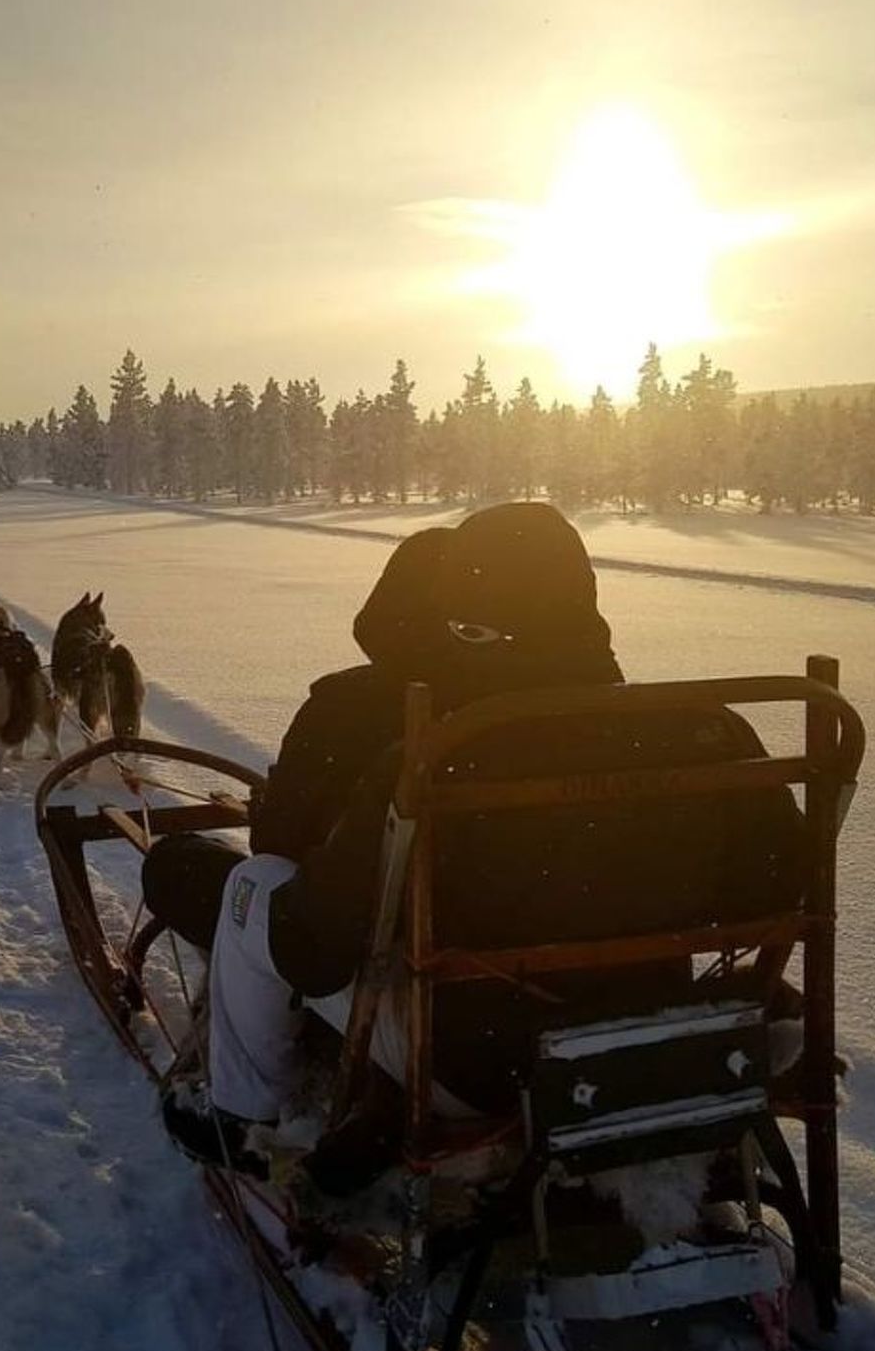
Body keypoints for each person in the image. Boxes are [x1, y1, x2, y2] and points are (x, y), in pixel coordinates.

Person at [148, 502, 625, 1171]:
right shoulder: (700, 733)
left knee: (255, 888)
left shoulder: (437, 757)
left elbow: (318, 943)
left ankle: (240, 1114)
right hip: (653, 1037)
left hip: (477, 1061)